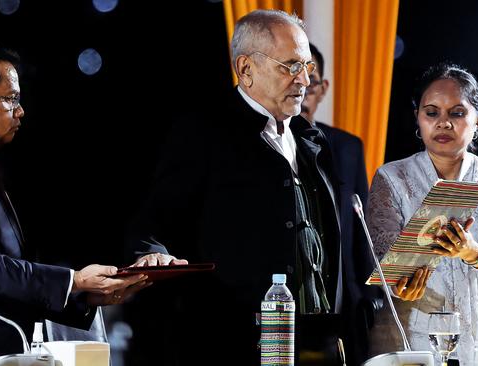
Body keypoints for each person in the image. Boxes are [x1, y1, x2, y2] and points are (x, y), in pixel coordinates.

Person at [127, 9, 366, 365]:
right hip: (232, 343)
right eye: (289, 66)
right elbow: (154, 221)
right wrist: (151, 251)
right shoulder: (203, 133)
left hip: (319, 345)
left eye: (306, 67)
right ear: (245, 69)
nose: (303, 79)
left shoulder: (312, 141)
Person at [0, 44, 151, 366]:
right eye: (11, 99)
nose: (20, 111)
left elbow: (4, 277)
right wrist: (74, 280)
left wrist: (85, 295)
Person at [365, 63, 478, 366]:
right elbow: (384, 260)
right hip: (411, 337)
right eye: (432, 112)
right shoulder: (392, 177)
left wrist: (471, 251)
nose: (443, 123)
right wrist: (399, 285)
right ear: (418, 119)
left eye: (457, 113)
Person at [300, 42, 375, 363]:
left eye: (311, 81)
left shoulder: (347, 147)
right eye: (294, 76)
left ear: (323, 88)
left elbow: (361, 232)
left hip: (342, 313)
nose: (303, 89)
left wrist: (369, 302)